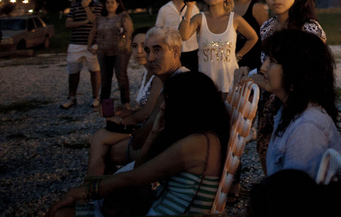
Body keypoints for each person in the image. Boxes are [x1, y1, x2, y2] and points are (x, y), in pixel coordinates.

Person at [48, 72, 229, 217]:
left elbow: (134, 178)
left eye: (169, 100)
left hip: (159, 211)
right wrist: (155, 133)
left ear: (187, 105)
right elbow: (139, 168)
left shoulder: (197, 143)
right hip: (156, 207)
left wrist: (81, 192)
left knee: (62, 213)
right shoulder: (200, 138)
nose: (164, 107)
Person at [237, 0, 326, 176]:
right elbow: (266, 66)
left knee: (295, 171)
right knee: (269, 162)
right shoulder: (267, 28)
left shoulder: (309, 30)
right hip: (268, 109)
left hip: (299, 111)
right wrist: (248, 72)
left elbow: (313, 79)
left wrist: (262, 80)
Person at [87, 27, 189, 173]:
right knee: (103, 141)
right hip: (160, 143)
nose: (148, 56)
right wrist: (127, 113)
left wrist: (124, 123)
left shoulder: (177, 81)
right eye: (147, 50)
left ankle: (92, 188)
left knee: (103, 142)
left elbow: (148, 125)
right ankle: (96, 187)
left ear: (176, 51)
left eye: (157, 50)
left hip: (167, 152)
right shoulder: (161, 75)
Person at [256, 29, 341, 178]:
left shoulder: (306, 127)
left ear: (295, 70)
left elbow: (297, 194)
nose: (263, 68)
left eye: (272, 61)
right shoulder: (288, 109)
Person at [179, 0, 258, 95]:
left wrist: (238, 55)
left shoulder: (234, 19)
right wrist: (189, 8)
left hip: (230, 79)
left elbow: (253, 38)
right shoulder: (199, 18)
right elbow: (184, 36)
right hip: (206, 80)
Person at [62, 0, 103, 109]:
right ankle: (72, 97)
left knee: (95, 71)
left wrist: (86, 9)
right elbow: (68, 24)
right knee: (73, 72)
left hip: (93, 44)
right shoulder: (74, 7)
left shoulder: (98, 6)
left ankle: (95, 97)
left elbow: (96, 21)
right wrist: (84, 21)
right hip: (76, 44)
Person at [94, 0, 134, 109]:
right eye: (107, 2)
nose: (109, 4)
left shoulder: (123, 17)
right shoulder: (100, 18)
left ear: (118, 4)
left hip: (120, 51)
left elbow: (129, 30)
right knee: (105, 78)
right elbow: (93, 31)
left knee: (121, 75)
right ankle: (104, 102)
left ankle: (125, 102)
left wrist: (127, 44)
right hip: (103, 51)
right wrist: (90, 45)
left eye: (112, 2)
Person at [155, 0, 199, 72]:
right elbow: (158, 28)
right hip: (172, 49)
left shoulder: (193, 8)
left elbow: (199, 26)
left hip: (191, 48)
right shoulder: (164, 9)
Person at [231, 0, 270, 71]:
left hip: (253, 57)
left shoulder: (256, 7)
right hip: (233, 58)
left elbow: (267, 32)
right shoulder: (229, 8)